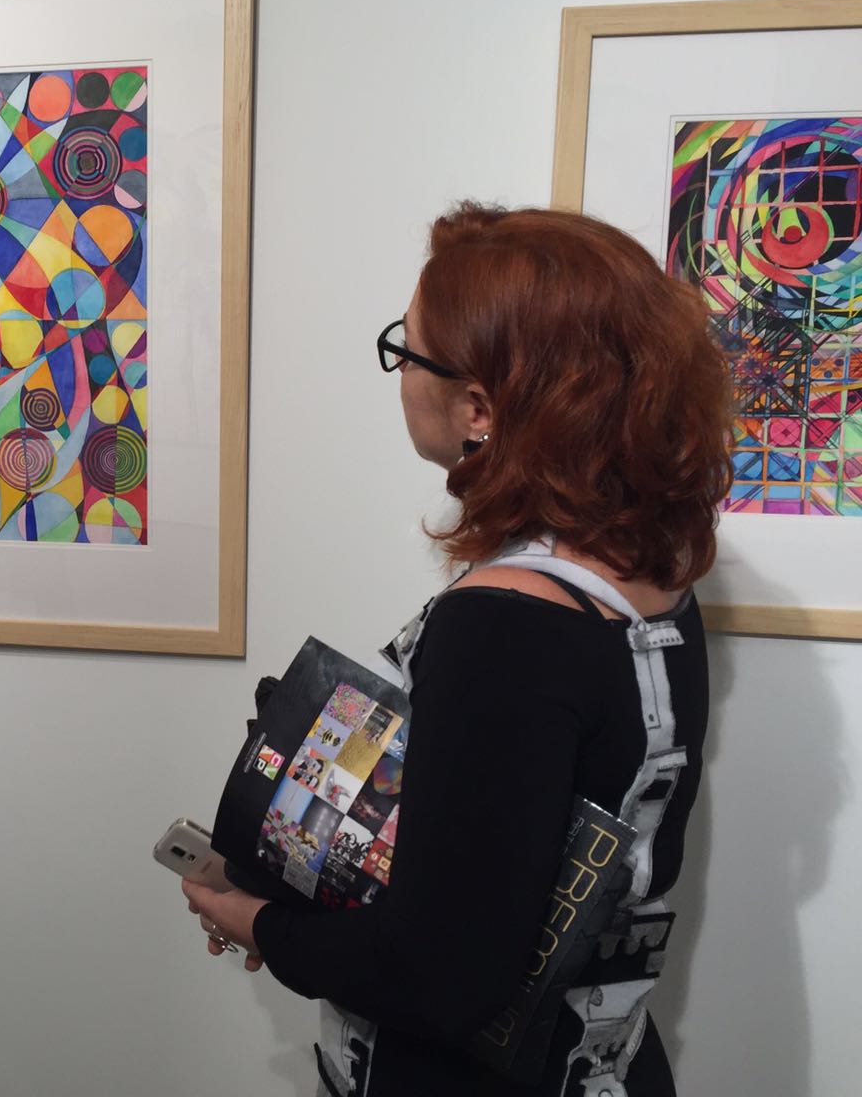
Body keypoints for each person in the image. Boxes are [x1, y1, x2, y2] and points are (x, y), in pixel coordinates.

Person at [181, 203, 733, 1096]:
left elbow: (438, 977)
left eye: (409, 352)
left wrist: (257, 924)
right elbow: (510, 841)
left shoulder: (504, 623)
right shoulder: (654, 574)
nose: (399, 373)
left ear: (479, 409)